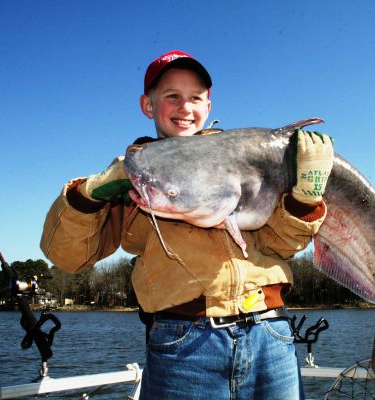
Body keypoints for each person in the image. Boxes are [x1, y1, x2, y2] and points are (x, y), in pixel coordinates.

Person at [40, 50, 334, 399]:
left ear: (209, 106)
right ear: (148, 106)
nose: (185, 107)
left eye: (195, 98)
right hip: (186, 343)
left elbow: (281, 247)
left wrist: (304, 202)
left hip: (271, 334)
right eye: (172, 97)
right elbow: (68, 257)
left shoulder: (247, 160)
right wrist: (85, 196)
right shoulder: (131, 176)